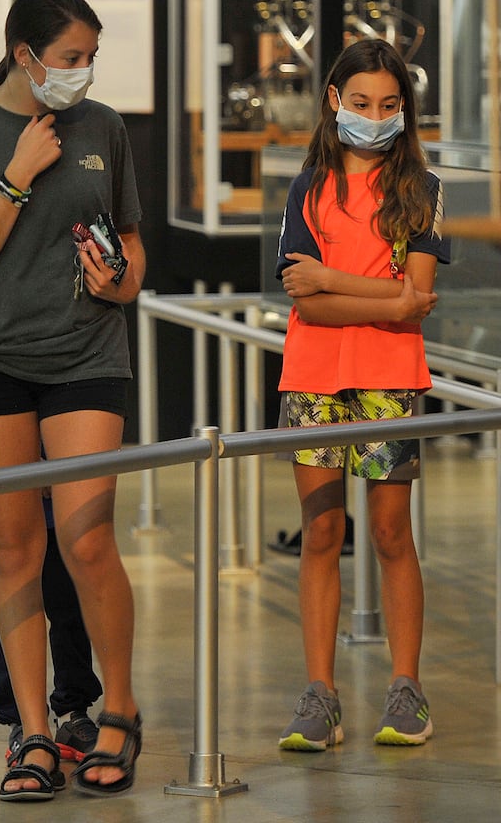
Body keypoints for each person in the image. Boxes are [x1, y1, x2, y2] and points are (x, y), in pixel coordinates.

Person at [0, 0, 146, 800]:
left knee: (87, 542)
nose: (82, 73)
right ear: (25, 56)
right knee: (14, 550)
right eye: (69, 59)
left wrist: (119, 282)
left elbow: (131, 245)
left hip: (87, 353)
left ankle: (117, 710)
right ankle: (35, 732)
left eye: (90, 58)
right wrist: (15, 179)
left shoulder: (106, 128)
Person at [274, 39, 450, 752]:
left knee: (388, 533)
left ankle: (405, 688)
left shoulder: (424, 191)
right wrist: (388, 294)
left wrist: (333, 281)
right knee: (321, 532)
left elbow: (422, 300)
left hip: (392, 379)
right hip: (312, 375)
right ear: (333, 101)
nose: (374, 117)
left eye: (388, 106)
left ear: (404, 109)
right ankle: (320, 694)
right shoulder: (306, 187)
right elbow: (303, 301)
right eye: (360, 103)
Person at [0, 349, 102, 765]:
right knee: (9, 608)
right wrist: (29, 466)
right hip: (5, 507)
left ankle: (74, 710)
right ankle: (21, 721)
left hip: (61, 503)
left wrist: (55, 469)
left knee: (68, 609)